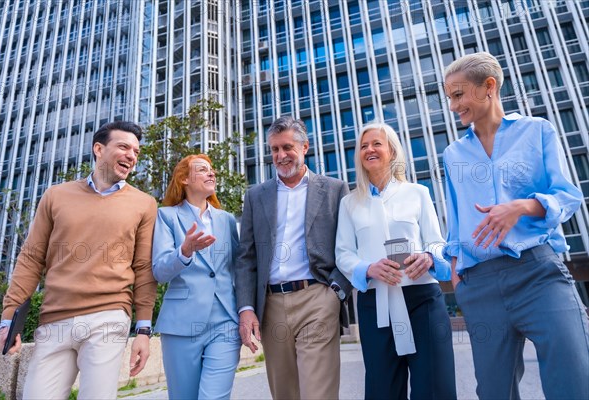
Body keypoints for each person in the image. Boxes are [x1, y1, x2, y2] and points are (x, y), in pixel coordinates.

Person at [443, 51, 589, 399]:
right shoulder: (452, 154)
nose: (452, 106)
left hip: (538, 273)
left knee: (574, 376)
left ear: (489, 87)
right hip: (479, 284)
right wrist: (456, 272)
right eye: (449, 97)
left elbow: (567, 196)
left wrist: (522, 207)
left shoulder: (537, 131)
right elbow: (456, 219)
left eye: (459, 94)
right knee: (494, 392)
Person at [0, 121, 158, 399]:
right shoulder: (56, 196)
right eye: (123, 146)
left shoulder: (144, 204)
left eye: (136, 151)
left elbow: (144, 268)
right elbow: (31, 258)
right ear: (98, 149)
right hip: (55, 319)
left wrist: (143, 328)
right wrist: (9, 318)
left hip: (108, 317)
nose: (132, 155)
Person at [335, 122, 456, 399]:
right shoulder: (350, 203)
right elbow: (343, 253)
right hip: (375, 304)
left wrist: (428, 257)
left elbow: (437, 242)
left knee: (435, 386)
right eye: (364, 146)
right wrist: (368, 268)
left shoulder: (417, 193)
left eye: (376, 143)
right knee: (382, 389)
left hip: (422, 298)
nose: (369, 150)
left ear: (392, 150)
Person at [235, 115, 353, 399]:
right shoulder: (255, 195)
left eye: (287, 147)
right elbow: (246, 257)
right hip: (271, 305)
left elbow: (349, 245)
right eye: (274, 150)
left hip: (317, 298)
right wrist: (246, 308)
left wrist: (335, 292)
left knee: (318, 392)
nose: (280, 156)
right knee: (284, 392)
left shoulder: (335, 190)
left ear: (305, 148)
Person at [151, 154, 241, 399]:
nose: (211, 173)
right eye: (202, 170)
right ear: (184, 179)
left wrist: (246, 312)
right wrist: (184, 251)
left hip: (225, 321)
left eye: (211, 170)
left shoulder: (227, 220)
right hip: (182, 325)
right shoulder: (166, 216)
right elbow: (159, 271)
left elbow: (239, 269)